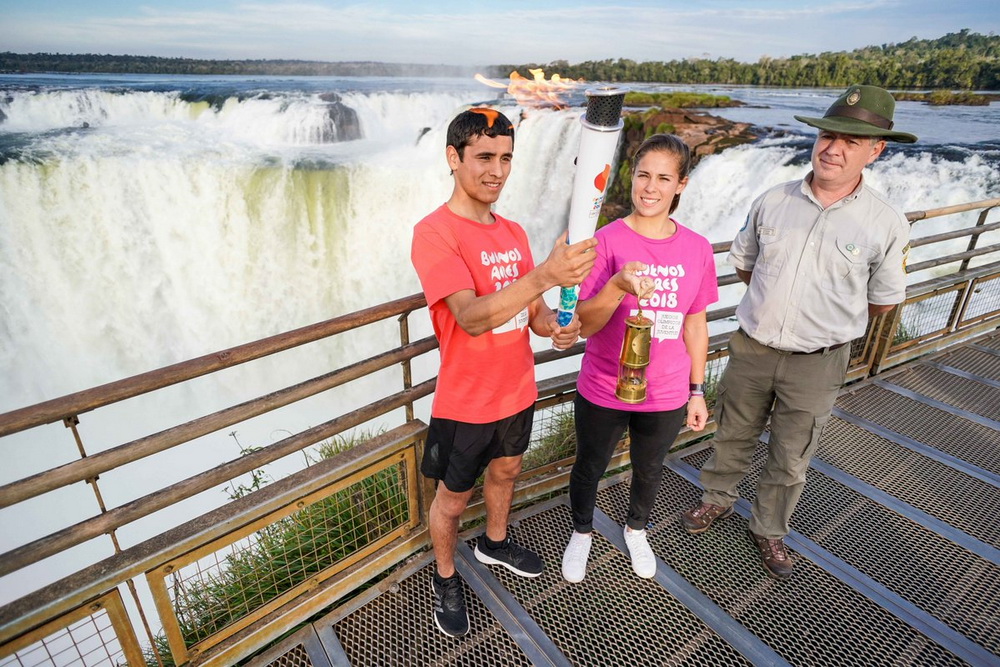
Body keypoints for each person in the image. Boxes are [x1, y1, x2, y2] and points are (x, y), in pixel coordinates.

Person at [680, 85, 917, 580]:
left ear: (877, 151)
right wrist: (776, 306)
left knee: (792, 453)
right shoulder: (772, 200)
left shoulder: (886, 222)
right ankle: (716, 499)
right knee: (733, 434)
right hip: (753, 347)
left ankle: (768, 529)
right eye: (829, 135)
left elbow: (884, 299)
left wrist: (823, 325)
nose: (834, 148)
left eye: (852, 141)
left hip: (818, 360)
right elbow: (746, 265)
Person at [410, 107, 598, 637]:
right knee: (450, 500)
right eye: (485, 157)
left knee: (508, 472)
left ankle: (493, 544)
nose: (497, 170)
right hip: (466, 401)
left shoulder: (514, 232)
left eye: (507, 158)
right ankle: (445, 576)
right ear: (454, 158)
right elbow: (469, 317)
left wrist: (558, 329)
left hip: (517, 389)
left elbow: (533, 315)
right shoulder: (435, 233)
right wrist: (544, 274)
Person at [561, 134, 718, 583]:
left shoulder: (697, 248)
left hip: (667, 390)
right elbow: (584, 325)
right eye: (643, 175)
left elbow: (695, 323)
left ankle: (636, 529)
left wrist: (696, 390)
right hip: (604, 384)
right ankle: (582, 532)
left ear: (681, 185)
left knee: (650, 469)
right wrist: (616, 286)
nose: (650, 187)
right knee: (590, 466)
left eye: (664, 178)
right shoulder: (604, 242)